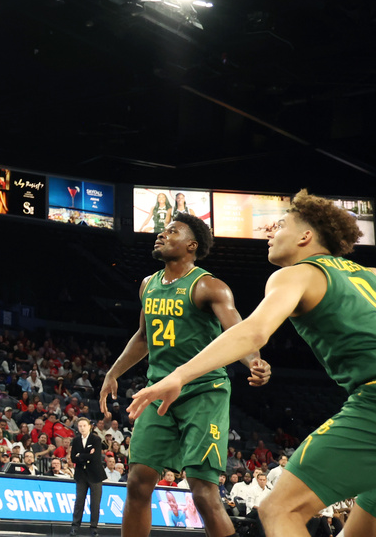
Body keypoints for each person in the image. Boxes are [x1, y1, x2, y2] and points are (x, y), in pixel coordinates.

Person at [128, 190, 376, 537]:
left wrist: (180, 374)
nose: (270, 232)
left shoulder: (297, 274)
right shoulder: (370, 275)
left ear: (306, 237)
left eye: (280, 225)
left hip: (373, 402)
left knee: (279, 508)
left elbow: (253, 332)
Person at [99, 212, 271, 537]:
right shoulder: (148, 285)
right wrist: (113, 372)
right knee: (137, 482)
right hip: (160, 390)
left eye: (172, 231)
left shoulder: (208, 285)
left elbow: (239, 330)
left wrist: (254, 362)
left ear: (191, 245)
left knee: (203, 492)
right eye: (162, 230)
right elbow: (143, 336)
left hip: (203, 392)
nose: (162, 235)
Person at [70, 416, 105, 536]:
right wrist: (85, 456)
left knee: (95, 503)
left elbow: (95, 458)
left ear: (89, 426)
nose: (82, 428)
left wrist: (81, 456)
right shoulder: (75, 441)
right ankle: (75, 527)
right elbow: (73, 458)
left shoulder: (96, 439)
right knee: (79, 502)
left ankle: (94, 528)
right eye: (80, 426)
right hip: (81, 475)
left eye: (84, 425)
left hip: (95, 475)